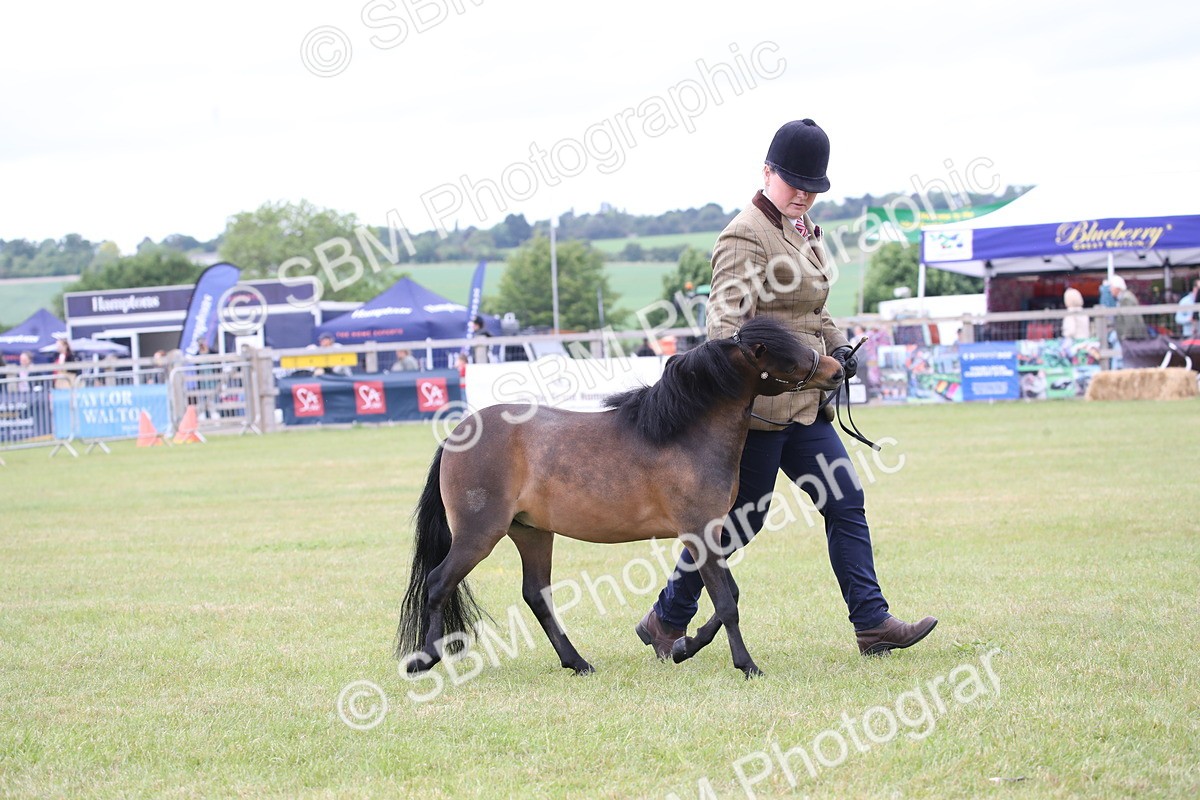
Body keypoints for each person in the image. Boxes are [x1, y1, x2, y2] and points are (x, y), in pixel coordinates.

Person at [636, 119, 936, 659]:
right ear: (767, 171)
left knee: (845, 501)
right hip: (759, 414)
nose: (804, 194)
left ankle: (872, 624)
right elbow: (724, 330)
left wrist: (838, 350)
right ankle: (667, 616)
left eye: (814, 186)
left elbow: (813, 312)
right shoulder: (744, 235)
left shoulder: (804, 230)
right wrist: (784, 368)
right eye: (794, 182)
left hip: (806, 409)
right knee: (741, 521)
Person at [1109, 275, 1149, 343]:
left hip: (1132, 339)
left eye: (1111, 287)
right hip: (1132, 338)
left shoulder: (1126, 299)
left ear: (1117, 288)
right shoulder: (1125, 297)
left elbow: (1129, 320)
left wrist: (1125, 337)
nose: (1110, 289)